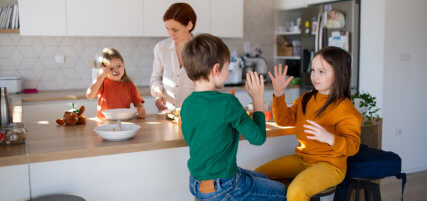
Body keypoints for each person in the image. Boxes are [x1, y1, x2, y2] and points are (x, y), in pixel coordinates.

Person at [180, 34, 287, 201]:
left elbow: (203, 133)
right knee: (282, 192)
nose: (228, 74)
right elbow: (258, 138)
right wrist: (257, 99)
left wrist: (228, 106)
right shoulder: (227, 103)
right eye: (227, 69)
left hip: (195, 183)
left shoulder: (187, 104)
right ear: (216, 69)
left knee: (263, 178)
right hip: (224, 186)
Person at [255, 46, 362, 201]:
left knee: (296, 192)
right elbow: (283, 120)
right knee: (257, 176)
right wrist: (279, 94)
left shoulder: (346, 108)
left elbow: (353, 146)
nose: (314, 76)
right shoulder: (306, 99)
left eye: (321, 71)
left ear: (339, 74)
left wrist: (329, 138)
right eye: (313, 70)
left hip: (331, 167)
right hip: (303, 160)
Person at [150, 2, 196, 111]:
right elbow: (155, 78)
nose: (170, 34)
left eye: (175, 30)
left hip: (194, 114)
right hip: (167, 113)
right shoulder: (161, 48)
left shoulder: (202, 50)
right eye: (167, 28)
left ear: (189, 25)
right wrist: (158, 93)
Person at [86, 48, 146, 119]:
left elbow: (138, 104)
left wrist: (141, 109)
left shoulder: (130, 86)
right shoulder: (102, 83)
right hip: (104, 123)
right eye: (111, 68)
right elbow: (89, 95)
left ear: (123, 65)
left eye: (119, 66)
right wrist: (100, 76)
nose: (116, 70)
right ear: (104, 70)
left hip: (123, 122)